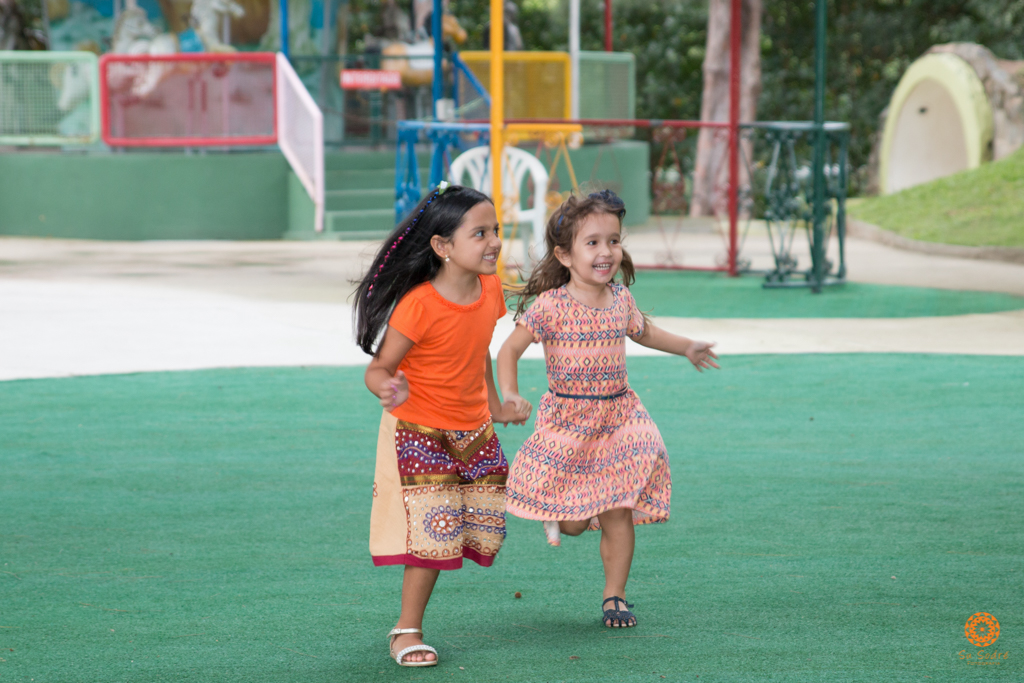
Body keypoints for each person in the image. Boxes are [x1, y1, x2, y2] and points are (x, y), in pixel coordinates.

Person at [497, 190, 719, 629]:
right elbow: (508, 351)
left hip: (619, 417)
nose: (606, 252)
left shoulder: (620, 300)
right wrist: (509, 393)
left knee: (620, 503)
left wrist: (687, 347)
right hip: (569, 421)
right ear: (564, 254)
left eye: (613, 241)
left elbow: (646, 333)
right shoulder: (551, 307)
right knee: (578, 525)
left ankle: (614, 596)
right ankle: (563, 514)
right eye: (593, 242)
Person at [354, 182, 529, 667]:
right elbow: (378, 369)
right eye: (480, 233)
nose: (494, 241)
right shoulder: (419, 305)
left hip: (472, 428)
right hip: (419, 430)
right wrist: (386, 387)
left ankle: (583, 511)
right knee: (434, 534)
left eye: (495, 230)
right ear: (442, 246)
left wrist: (495, 405)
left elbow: (479, 355)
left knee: (485, 527)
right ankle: (406, 631)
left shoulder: (489, 287)